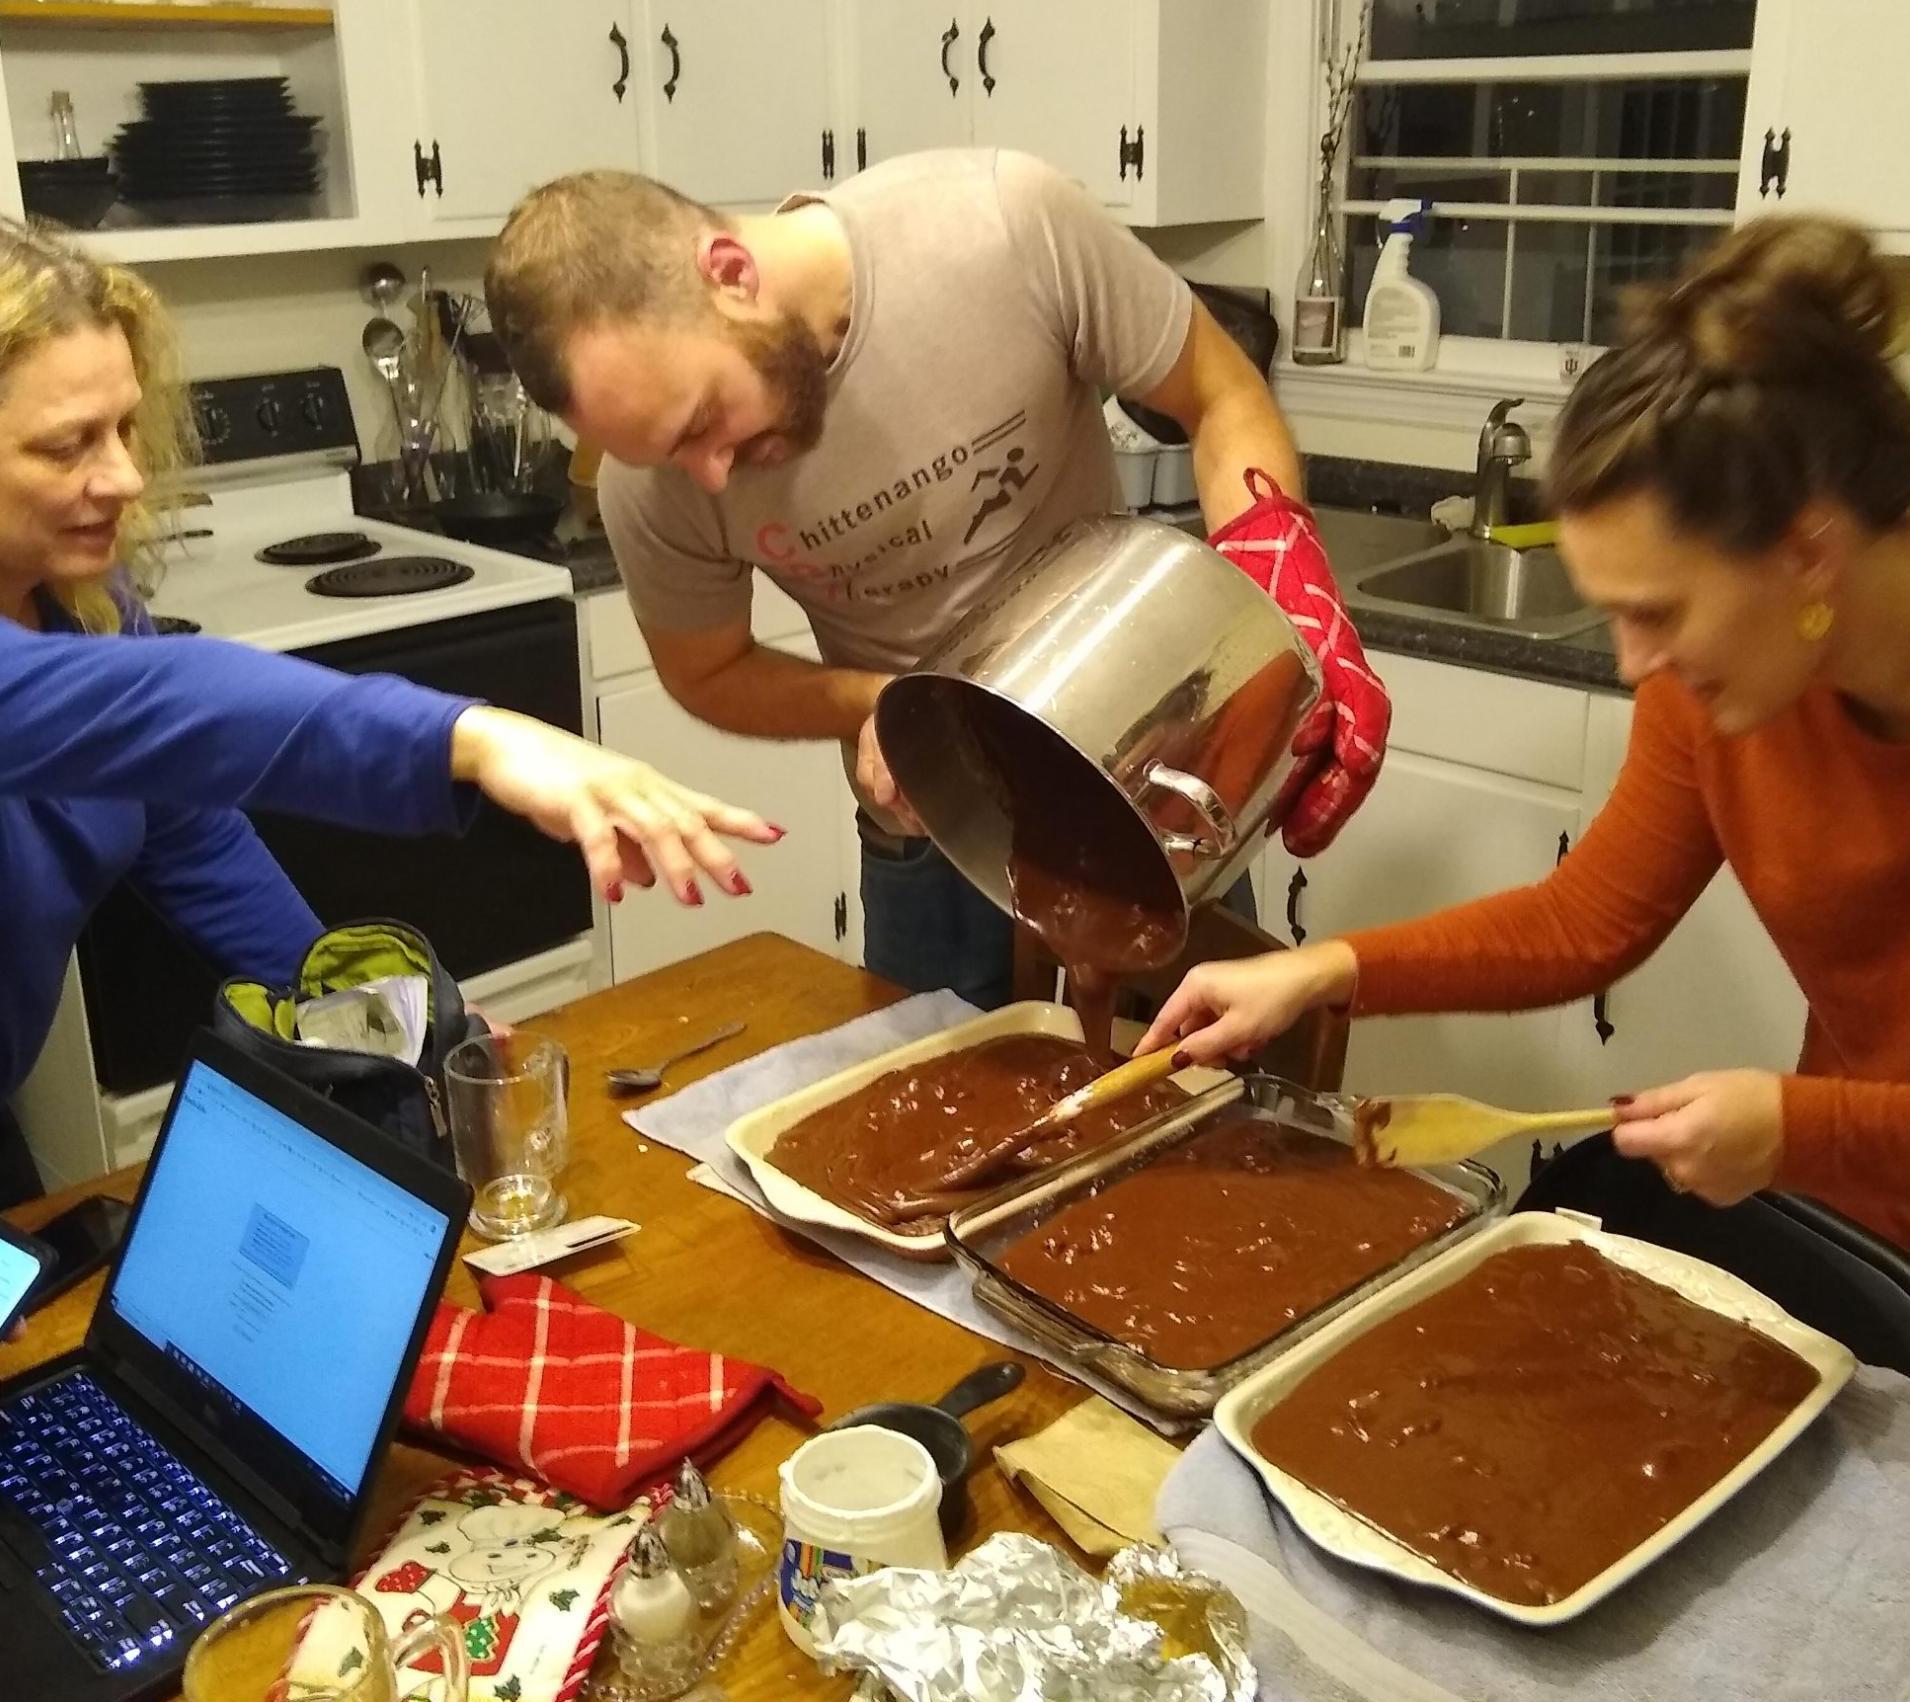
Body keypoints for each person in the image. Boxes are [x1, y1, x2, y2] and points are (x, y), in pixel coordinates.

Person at [1138, 215, 1910, 1250]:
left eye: (1658, 610)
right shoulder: (1720, 690)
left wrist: (1792, 1122)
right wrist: (1323, 970)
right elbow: (1582, 921)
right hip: (1864, 1213)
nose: (1633, 662)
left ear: (1807, 555)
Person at [483, 149, 1389, 1007]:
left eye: (703, 421)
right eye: (669, 455)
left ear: (729, 271)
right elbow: (706, 671)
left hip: (1156, 769)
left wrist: (1282, 564)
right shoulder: (653, 487)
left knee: (1213, 1119)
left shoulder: (1000, 228)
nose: (711, 475)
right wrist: (883, 702)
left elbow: (1219, 393)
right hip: (939, 828)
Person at [0, 219, 778, 1211]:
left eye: (121, 427)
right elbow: (161, 706)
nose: (123, 477)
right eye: (67, 444)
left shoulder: (84, 601)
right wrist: (478, 736)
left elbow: (184, 829)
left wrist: (383, 1022)